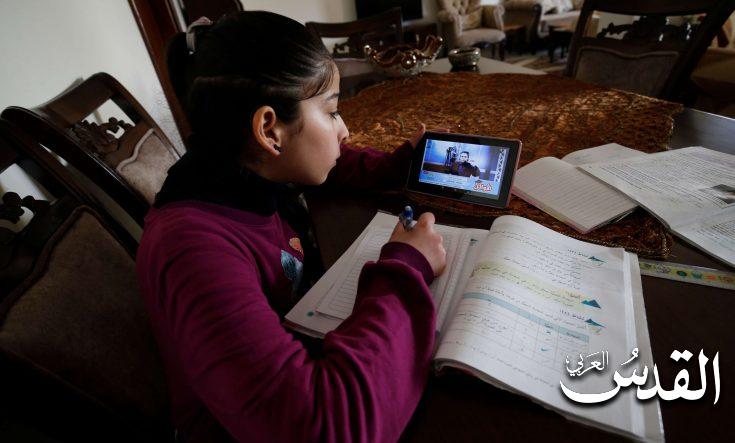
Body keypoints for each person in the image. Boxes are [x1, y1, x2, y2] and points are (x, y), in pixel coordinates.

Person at [135, 11, 447, 443]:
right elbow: (331, 428)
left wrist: (398, 165)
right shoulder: (192, 250)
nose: (345, 131)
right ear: (269, 130)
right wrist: (406, 267)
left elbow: (325, 160)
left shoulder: (234, 164)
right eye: (332, 112)